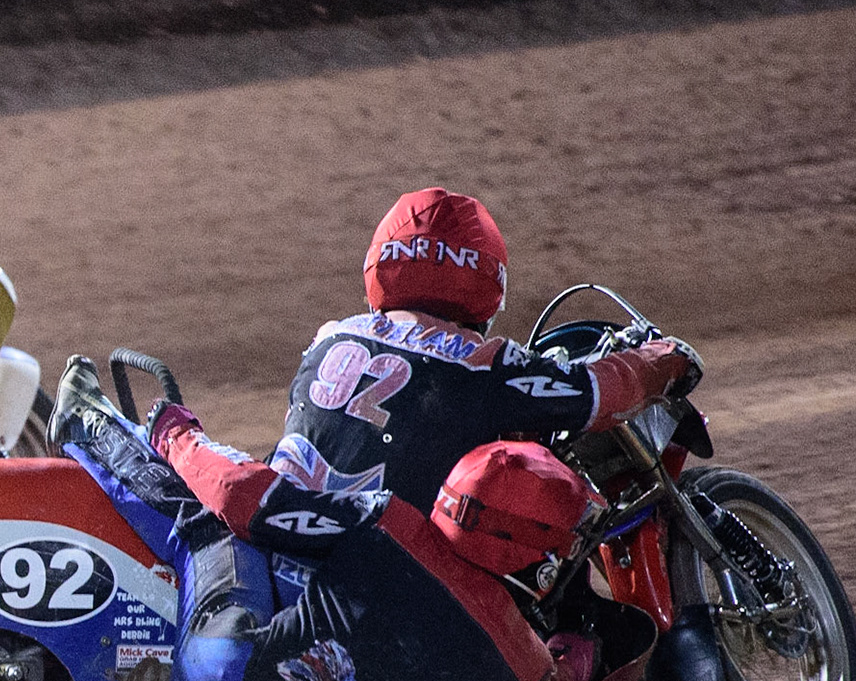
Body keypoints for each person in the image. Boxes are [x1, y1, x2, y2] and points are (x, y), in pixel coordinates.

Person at [51, 357, 606, 681]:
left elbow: (241, 495)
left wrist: (178, 436)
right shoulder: (527, 670)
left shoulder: (392, 529)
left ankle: (88, 424)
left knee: (213, 527)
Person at [271, 187, 700, 512]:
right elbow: (595, 392)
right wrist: (662, 361)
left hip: (290, 546)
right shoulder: (478, 362)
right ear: (487, 282)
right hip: (393, 583)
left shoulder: (327, 339)